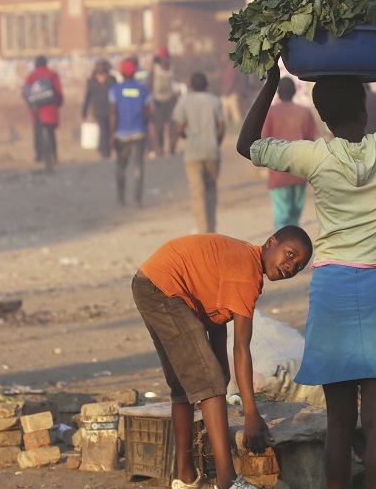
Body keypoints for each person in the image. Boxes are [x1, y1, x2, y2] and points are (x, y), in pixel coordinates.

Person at [237, 47, 376, 489]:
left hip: (333, 292)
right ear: (365, 106)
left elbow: (247, 145)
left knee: (339, 424)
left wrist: (270, 82)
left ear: (322, 116)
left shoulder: (315, 157)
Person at [133, 226, 313, 489]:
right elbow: (241, 347)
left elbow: (215, 322)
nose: (291, 266)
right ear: (270, 242)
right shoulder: (246, 273)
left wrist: (223, 377)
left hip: (150, 283)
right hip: (164, 287)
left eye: (298, 266)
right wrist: (251, 415)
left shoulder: (242, 261)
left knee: (186, 387)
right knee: (210, 382)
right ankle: (228, 482)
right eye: (289, 254)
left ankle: (184, 478)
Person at [261, 76, 319, 229]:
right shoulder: (304, 112)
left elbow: (263, 141)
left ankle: (284, 248)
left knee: (282, 217)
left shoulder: (270, 113)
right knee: (294, 217)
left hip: (278, 172)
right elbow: (311, 141)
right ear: (294, 92)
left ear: (278, 93)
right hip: (299, 171)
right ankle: (296, 248)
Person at [172, 72, 224, 234]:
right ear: (206, 85)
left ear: (191, 86)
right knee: (211, 190)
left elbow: (179, 128)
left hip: (193, 153)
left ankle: (203, 230)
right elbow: (221, 126)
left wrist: (185, 136)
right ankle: (212, 227)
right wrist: (216, 142)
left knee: (197, 193)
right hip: (211, 151)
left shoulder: (184, 102)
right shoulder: (215, 101)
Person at [109, 59, 152, 208]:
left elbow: (114, 113)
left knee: (121, 167)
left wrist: (112, 133)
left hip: (121, 133)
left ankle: (121, 199)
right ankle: (137, 200)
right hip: (139, 132)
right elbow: (148, 112)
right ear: (135, 73)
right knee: (138, 167)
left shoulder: (115, 90)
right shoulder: (143, 90)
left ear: (121, 72)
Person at [23, 55, 63, 170]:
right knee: (50, 133)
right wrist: (58, 103)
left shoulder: (32, 76)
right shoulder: (52, 74)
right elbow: (58, 91)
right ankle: (53, 155)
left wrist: (31, 104)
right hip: (50, 108)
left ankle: (39, 156)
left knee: (38, 133)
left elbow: (26, 92)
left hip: (37, 110)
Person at [82, 59, 117, 159]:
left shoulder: (111, 79)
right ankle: (104, 150)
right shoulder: (92, 80)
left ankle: (105, 149)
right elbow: (88, 96)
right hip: (98, 110)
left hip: (110, 109)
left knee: (108, 130)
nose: (100, 68)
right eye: (98, 66)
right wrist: (84, 110)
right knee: (103, 129)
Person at [150, 47, 179, 156]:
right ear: (160, 59)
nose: (166, 60)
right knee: (159, 126)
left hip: (169, 99)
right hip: (158, 100)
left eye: (167, 58)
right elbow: (150, 83)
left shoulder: (172, 68)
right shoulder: (155, 69)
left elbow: (175, 83)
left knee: (172, 125)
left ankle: (171, 148)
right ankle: (160, 148)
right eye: (163, 58)